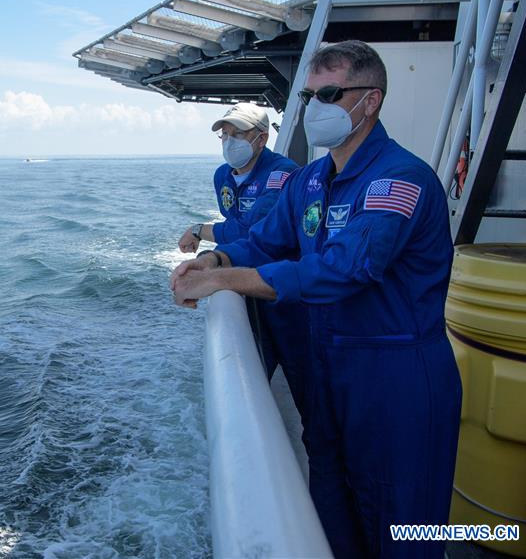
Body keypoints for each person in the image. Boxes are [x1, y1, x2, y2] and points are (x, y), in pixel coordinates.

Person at [170, 40, 461, 558]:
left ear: (369, 101)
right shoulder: (310, 181)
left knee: (402, 522)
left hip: (396, 379)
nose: (315, 109)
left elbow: (346, 269)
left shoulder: (399, 179)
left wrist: (229, 282)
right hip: (330, 368)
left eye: (329, 94)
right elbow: (264, 241)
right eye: (308, 98)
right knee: (330, 502)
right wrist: (216, 260)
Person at [177, 103, 310, 417]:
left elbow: (254, 228)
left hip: (283, 293)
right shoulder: (223, 176)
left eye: (238, 134)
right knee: (250, 369)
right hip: (242, 279)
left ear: (261, 139)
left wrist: (200, 231)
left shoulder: (282, 174)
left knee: (302, 377)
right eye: (225, 134)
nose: (229, 141)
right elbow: (238, 227)